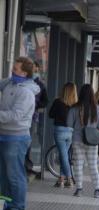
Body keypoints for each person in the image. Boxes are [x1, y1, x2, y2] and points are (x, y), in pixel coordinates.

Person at [0, 57, 40, 210]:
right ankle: (8, 205)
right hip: (4, 135)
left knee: (15, 176)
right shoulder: (11, 83)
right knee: (4, 176)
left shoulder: (26, 92)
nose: (12, 71)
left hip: (16, 138)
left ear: (24, 73)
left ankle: (17, 206)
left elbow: (15, 115)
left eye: (15, 69)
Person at [67, 84, 99, 198]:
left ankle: (79, 189)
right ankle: (97, 190)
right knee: (93, 165)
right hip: (92, 141)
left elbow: (69, 124)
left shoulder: (74, 108)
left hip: (77, 140)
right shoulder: (97, 108)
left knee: (78, 164)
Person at [49, 82, 78, 188]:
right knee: (64, 155)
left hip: (59, 131)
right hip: (70, 132)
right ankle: (61, 179)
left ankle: (69, 179)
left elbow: (50, 114)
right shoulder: (76, 105)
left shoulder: (58, 101)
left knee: (63, 155)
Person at [25, 60, 49, 179]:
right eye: (31, 67)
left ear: (37, 69)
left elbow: (45, 101)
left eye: (35, 68)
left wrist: (36, 106)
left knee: (28, 141)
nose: (33, 70)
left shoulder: (40, 84)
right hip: (20, 117)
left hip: (32, 116)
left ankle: (27, 166)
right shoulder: (23, 81)